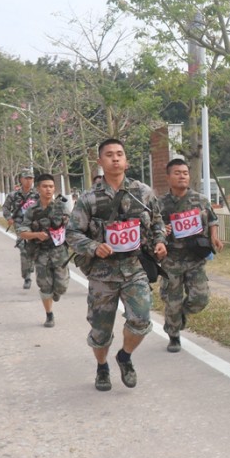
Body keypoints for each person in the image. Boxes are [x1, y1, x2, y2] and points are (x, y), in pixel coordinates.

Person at [66, 138, 167, 392]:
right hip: (102, 273)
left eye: (120, 154)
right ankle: (102, 367)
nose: (115, 158)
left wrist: (160, 242)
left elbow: (157, 222)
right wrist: (93, 247)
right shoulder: (89, 198)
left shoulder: (142, 192)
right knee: (100, 331)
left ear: (126, 160)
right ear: (100, 162)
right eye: (109, 154)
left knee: (142, 320)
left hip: (134, 268)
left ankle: (124, 356)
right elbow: (72, 233)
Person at [158, 158, 223, 352]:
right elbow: (152, 227)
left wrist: (214, 238)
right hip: (171, 260)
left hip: (195, 258)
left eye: (185, 173)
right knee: (172, 300)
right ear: (168, 177)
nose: (182, 176)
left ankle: (181, 316)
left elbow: (212, 220)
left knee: (200, 298)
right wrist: (163, 230)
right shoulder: (159, 204)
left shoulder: (200, 200)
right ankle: (173, 334)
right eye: (177, 173)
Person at [17, 174, 71, 328]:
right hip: (40, 253)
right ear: (38, 188)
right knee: (44, 286)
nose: (48, 189)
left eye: (51, 186)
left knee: (60, 287)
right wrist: (36, 235)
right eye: (45, 186)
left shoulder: (61, 207)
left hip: (59, 252)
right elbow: (22, 231)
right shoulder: (32, 210)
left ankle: (59, 287)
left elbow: (72, 227)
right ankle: (49, 315)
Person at [2, 171, 39, 289]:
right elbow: (6, 207)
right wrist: (8, 218)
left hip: (36, 225)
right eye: (26, 178)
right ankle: (27, 277)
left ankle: (31, 264)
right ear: (21, 179)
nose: (29, 180)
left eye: (31, 178)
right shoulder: (13, 195)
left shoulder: (38, 194)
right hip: (20, 224)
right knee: (23, 248)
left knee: (36, 249)